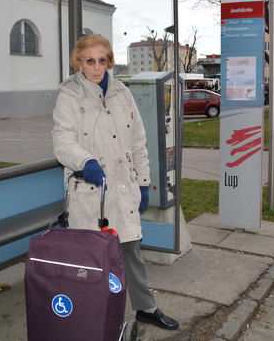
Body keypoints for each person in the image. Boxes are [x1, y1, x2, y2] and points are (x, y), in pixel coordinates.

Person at [52, 34, 179, 331]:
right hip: (89, 192)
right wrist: (86, 160)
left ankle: (145, 308)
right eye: (89, 60)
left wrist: (145, 183)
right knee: (91, 258)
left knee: (131, 250)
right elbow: (62, 142)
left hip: (122, 186)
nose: (96, 67)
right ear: (78, 62)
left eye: (102, 60)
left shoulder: (123, 92)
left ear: (109, 61)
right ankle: (89, 315)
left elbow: (138, 141)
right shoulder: (69, 96)